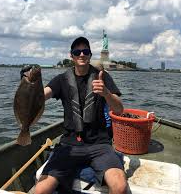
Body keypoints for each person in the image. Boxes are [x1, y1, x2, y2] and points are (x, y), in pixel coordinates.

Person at [34, 37, 127, 194]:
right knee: (41, 190)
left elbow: (119, 110)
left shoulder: (102, 76)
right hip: (69, 145)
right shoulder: (62, 79)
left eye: (86, 51)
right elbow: (41, 96)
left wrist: (106, 93)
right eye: (77, 52)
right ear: (72, 56)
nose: (82, 54)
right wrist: (29, 83)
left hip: (100, 144)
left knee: (120, 187)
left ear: (90, 55)